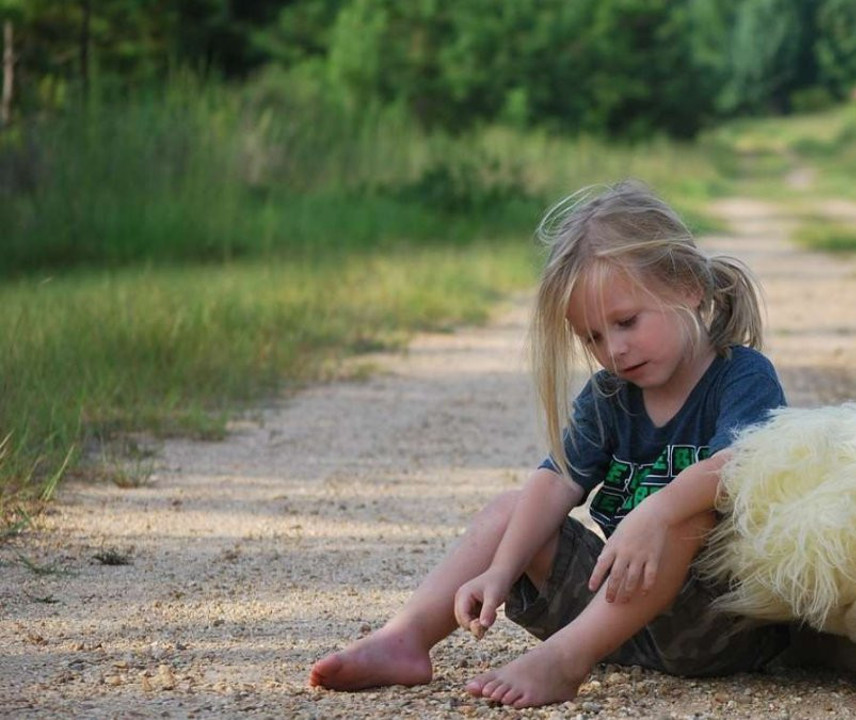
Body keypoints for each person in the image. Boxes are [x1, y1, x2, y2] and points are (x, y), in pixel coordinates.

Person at [308, 180, 789, 708]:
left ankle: (565, 661)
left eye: (626, 322)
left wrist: (655, 511)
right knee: (511, 511)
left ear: (686, 287)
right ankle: (405, 637)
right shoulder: (611, 394)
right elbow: (558, 479)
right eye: (593, 337)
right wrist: (501, 566)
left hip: (718, 626)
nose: (615, 350)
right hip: (617, 617)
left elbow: (741, 464)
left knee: (689, 515)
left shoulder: (740, 375)